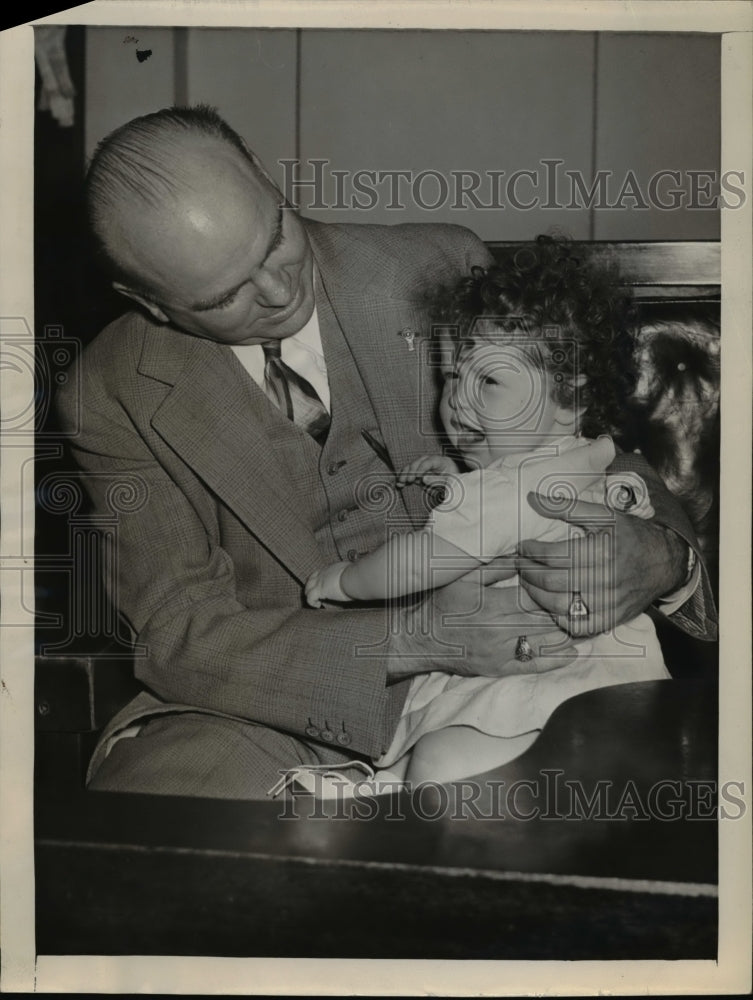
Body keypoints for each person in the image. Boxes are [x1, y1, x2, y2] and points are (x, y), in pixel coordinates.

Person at [56, 105, 716, 799]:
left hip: (526, 677)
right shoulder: (109, 388)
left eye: (275, 235)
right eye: (227, 295)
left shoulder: (437, 263)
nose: (280, 290)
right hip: (260, 706)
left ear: (265, 175)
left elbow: (578, 445)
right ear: (151, 302)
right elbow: (178, 629)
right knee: (165, 825)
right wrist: (411, 640)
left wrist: (662, 558)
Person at [305, 244, 671, 783]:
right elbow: (509, 522)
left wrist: (344, 582)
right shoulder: (583, 457)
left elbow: (420, 561)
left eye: (489, 382)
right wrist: (460, 486)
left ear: (570, 398)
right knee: (430, 772)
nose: (457, 402)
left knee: (436, 766)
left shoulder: (511, 489)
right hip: (609, 685)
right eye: (453, 376)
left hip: (548, 689)